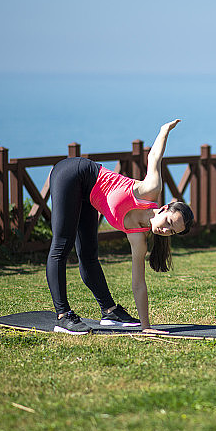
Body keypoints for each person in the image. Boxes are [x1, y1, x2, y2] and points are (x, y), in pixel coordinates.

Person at [46, 119, 194, 334]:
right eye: (169, 223)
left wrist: (146, 327)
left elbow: (139, 284)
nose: (165, 231)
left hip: (88, 197)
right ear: (164, 208)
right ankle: (62, 315)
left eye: (171, 232)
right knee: (61, 246)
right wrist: (164, 131)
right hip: (73, 172)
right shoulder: (150, 190)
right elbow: (154, 156)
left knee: (88, 254)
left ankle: (109, 311)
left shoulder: (138, 238)